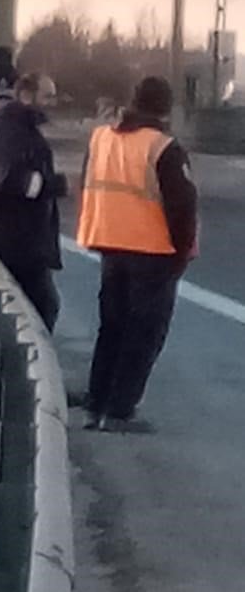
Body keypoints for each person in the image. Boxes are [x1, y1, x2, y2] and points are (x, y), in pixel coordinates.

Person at [77, 75, 197, 431]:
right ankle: (119, 412)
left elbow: (88, 183)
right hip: (152, 249)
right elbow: (182, 208)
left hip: (109, 243)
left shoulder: (101, 138)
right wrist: (182, 254)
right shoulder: (164, 148)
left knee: (112, 328)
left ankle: (96, 403)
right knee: (143, 334)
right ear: (166, 108)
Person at [0, 72, 67, 332]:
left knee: (32, 307)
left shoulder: (9, 125)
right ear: (26, 95)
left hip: (9, 235)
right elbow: (14, 179)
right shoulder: (9, 130)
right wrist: (57, 185)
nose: (52, 102)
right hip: (14, 238)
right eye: (47, 96)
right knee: (40, 308)